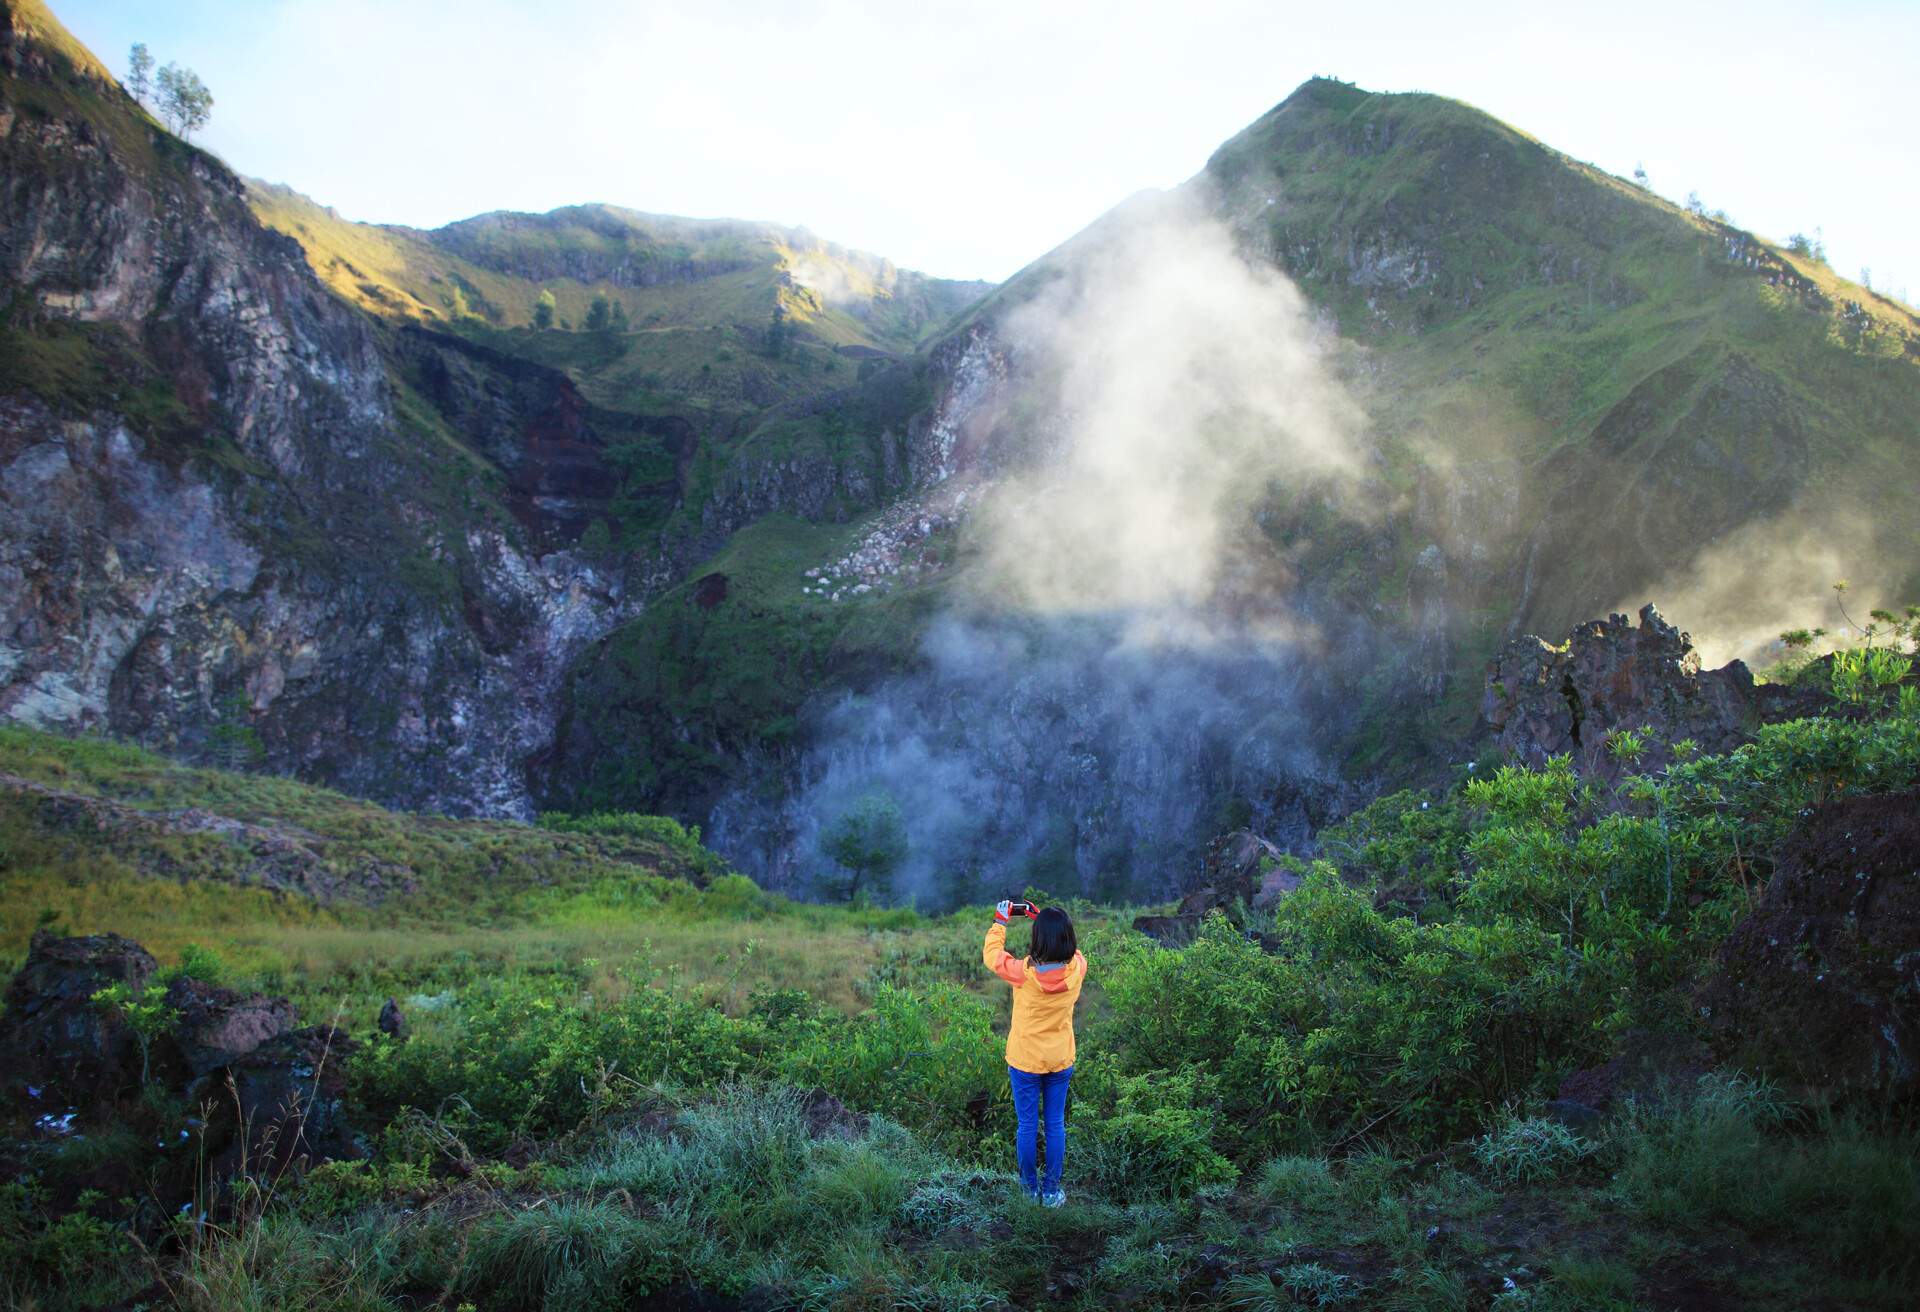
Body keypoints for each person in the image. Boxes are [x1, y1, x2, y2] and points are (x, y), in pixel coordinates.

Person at [983, 899, 1087, 1206]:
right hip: (1060, 1059)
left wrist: (1001, 921)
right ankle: (1051, 1191)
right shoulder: (1077, 969)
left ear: (1037, 938)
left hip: (1025, 1061)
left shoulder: (1022, 973)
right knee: (1055, 1124)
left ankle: (1029, 1192)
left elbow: (991, 956)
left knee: (1027, 1126)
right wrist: (1044, 917)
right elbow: (1072, 949)